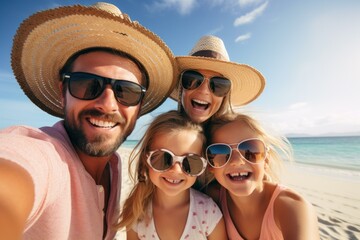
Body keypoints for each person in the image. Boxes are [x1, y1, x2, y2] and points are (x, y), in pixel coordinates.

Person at [0, 2, 177, 240]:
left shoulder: (114, 165)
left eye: (127, 92)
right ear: (63, 89)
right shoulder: (42, 155)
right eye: (86, 84)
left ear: (140, 105)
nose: (108, 104)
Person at [203, 113, 320, 239]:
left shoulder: (293, 208)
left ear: (266, 160)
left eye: (250, 150)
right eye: (220, 151)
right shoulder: (212, 200)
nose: (237, 161)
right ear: (211, 166)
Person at [116, 110, 227, 240]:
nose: (176, 170)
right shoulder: (136, 212)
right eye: (164, 158)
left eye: (190, 162)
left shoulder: (208, 212)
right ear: (146, 159)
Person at [170, 35, 266, 124]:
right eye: (192, 79)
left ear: (224, 97)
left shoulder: (236, 138)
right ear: (181, 87)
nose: (204, 91)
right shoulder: (159, 135)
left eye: (218, 85)